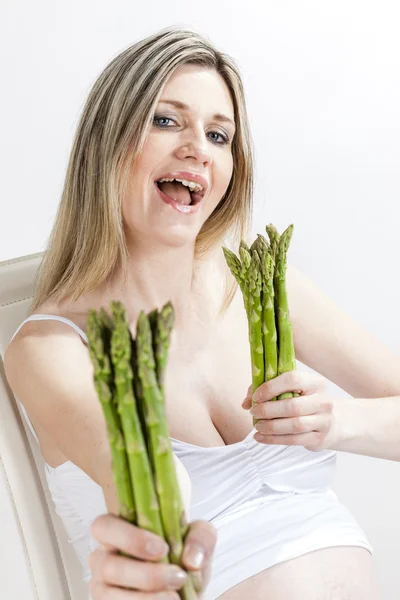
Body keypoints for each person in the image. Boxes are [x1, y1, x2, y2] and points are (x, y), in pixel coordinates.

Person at [5, 24, 400, 600]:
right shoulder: (51, 350)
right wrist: (137, 565)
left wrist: (336, 423)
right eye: (166, 120)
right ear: (105, 143)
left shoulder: (263, 286)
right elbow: (141, 498)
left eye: (220, 135)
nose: (197, 147)